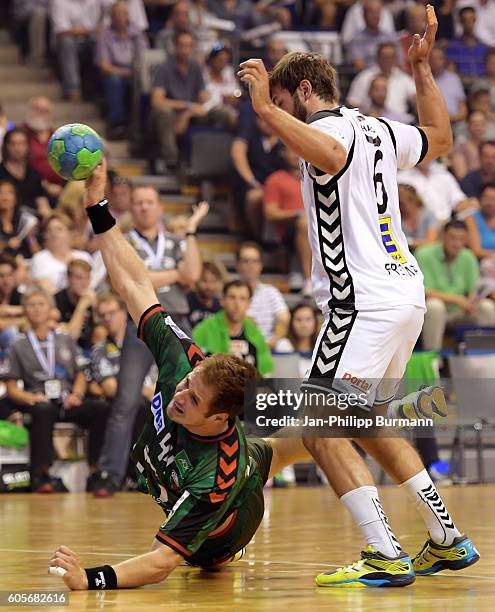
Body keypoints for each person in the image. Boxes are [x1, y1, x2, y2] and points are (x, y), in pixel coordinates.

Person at [238, 4, 478, 587]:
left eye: (284, 96)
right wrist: (422, 72)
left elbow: (328, 154)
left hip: (362, 301)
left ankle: (384, 552)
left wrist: (265, 109)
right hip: (406, 295)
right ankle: (446, 539)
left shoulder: (326, 130)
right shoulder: (380, 127)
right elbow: (442, 138)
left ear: (301, 90)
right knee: (366, 422)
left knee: (321, 428)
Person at [48, 159, 312, 590]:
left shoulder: (217, 476)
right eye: (188, 383)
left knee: (211, 557)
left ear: (219, 418)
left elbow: (161, 562)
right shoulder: (185, 362)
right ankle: (353, 420)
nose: (179, 395)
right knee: (290, 445)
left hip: (226, 532)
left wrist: (89, 580)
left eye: (192, 399)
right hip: (226, 461)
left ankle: (371, 425)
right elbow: (135, 284)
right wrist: (98, 206)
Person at [90, 187, 205, 496]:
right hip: (139, 324)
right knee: (125, 401)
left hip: (177, 321)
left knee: (187, 397)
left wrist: (190, 231)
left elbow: (192, 274)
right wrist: (172, 274)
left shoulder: (179, 240)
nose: (143, 207)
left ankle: (188, 473)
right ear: (133, 208)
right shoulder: (125, 242)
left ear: (159, 207)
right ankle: (109, 474)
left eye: (149, 202)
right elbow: (129, 282)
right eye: (138, 203)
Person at [2, 287, 109, 493]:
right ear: (24, 310)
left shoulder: (64, 338)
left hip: (67, 399)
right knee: (43, 411)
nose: (36, 310)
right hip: (39, 400)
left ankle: (96, 471)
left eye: (40, 304)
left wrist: (77, 395)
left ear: (50, 309)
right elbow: (11, 387)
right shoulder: (18, 345)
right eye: (31, 305)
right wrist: (30, 398)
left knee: (101, 409)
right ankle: (42, 474)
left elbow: (80, 373)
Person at [149, 30, 230, 173]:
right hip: (173, 112)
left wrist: (191, 111)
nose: (186, 50)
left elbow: (203, 97)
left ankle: (224, 158)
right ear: (175, 46)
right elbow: (157, 101)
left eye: (189, 46)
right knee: (164, 113)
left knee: (222, 112)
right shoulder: (164, 68)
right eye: (182, 45)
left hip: (191, 113)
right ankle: (171, 161)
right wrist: (187, 106)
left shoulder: (196, 68)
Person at [415, 219, 495, 351]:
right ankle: (433, 358)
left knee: (487, 307)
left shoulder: (468, 256)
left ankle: (483, 356)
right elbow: (425, 291)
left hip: (460, 312)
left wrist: (472, 301)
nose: (457, 244)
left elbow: (472, 289)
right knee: (435, 306)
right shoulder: (424, 254)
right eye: (452, 238)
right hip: (433, 311)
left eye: (462, 239)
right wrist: (457, 300)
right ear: (442, 237)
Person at [192, 280, 273, 376]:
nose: (237, 304)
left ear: (249, 304)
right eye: (232, 297)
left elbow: (266, 371)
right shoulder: (203, 330)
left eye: (242, 299)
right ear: (222, 301)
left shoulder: (255, 332)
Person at [263, 146, 312, 294]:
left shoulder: (316, 177)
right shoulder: (276, 179)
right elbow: (270, 213)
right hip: (289, 231)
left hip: (317, 226)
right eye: (291, 150)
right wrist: (296, 214)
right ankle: (308, 279)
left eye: (298, 149)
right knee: (304, 222)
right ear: (284, 153)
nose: (296, 154)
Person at [96, 1, 148, 139]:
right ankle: (116, 124)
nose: (120, 18)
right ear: (111, 17)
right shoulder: (105, 35)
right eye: (117, 15)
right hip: (114, 72)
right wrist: (125, 73)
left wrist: (135, 73)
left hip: (135, 72)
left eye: (123, 14)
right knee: (115, 81)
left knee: (144, 83)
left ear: (128, 16)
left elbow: (145, 58)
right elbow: (104, 66)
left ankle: (141, 128)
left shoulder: (136, 33)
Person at [231, 116, 285, 239]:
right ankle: (257, 237)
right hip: (255, 185)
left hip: (279, 187)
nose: (269, 124)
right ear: (258, 121)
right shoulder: (249, 135)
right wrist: (253, 182)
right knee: (255, 197)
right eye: (265, 120)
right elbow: (237, 154)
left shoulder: (284, 139)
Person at [236, 242, 290, 349]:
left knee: (284, 345)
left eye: (254, 261)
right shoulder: (231, 292)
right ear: (237, 264)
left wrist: (273, 340)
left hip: (269, 342)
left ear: (261, 265)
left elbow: (284, 318)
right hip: (239, 342)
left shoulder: (271, 292)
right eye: (245, 261)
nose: (250, 265)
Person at [50, 0, 103, 101]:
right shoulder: (59, 2)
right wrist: (91, 31)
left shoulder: (95, 2)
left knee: (102, 42)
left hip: (91, 40)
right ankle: (73, 89)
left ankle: (99, 92)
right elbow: (62, 31)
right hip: (69, 41)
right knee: (67, 42)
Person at [347, 42, 416, 118]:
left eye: (391, 57)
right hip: (371, 122)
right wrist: (365, 114)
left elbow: (416, 98)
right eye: (384, 57)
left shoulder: (404, 79)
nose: (388, 60)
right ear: (378, 57)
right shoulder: (364, 77)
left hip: (400, 123)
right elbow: (351, 104)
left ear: (396, 58)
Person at [30, 212, 93, 294]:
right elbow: (46, 288)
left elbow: (92, 285)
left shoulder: (84, 256)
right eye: (49, 230)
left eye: (59, 229)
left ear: (69, 232)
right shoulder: (40, 258)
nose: (54, 234)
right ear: (45, 235)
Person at [398, 159, 477, 223]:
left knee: (471, 216)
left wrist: (470, 204)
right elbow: (407, 209)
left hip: (448, 224)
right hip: (421, 225)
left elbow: (458, 200)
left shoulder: (443, 173)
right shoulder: (402, 178)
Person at [0, 127, 50, 216]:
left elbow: (43, 205)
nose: (17, 148)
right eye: (13, 144)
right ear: (6, 146)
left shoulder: (34, 174)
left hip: (32, 222)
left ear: (28, 146)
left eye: (21, 144)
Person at [55, 259, 98, 351]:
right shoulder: (56, 301)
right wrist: (82, 306)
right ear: (68, 278)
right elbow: (71, 336)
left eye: (87, 278)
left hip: (90, 351)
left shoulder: (94, 300)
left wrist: (96, 308)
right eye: (79, 278)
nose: (84, 283)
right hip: (66, 351)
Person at [23, 96, 64, 191]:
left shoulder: (58, 136)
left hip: (61, 188)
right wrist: (45, 186)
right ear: (29, 111)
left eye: (45, 111)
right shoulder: (21, 135)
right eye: (37, 109)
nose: (41, 114)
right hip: (31, 188)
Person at [346, 0, 398, 73]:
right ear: (363, 15)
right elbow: (359, 66)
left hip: (392, 75)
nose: (375, 16)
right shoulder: (356, 40)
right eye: (371, 12)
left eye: (377, 12)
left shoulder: (390, 37)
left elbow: (400, 62)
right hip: (368, 77)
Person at [445, 6, 489, 86]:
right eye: (465, 20)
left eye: (471, 19)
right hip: (461, 86)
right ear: (460, 21)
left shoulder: (484, 47)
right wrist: (464, 79)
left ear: (475, 20)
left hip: (482, 87)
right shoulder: (452, 46)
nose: (468, 23)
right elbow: (450, 71)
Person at [275, 302, 320, 379]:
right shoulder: (284, 345)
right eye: (299, 320)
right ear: (292, 323)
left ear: (315, 322)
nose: (304, 324)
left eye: (308, 319)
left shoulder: (322, 347)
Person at [0, 179, 40, 259]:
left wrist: (31, 238)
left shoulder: (26, 221)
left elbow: (37, 253)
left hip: (25, 264)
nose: (5, 197)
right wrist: (7, 244)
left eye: (9, 193)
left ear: (15, 199)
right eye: (0, 193)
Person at [429, 46, 467, 126]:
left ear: (445, 61)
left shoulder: (454, 79)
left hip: (456, 123)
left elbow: (463, 108)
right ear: (428, 60)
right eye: (434, 58)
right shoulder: (423, 80)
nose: (436, 62)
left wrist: (453, 119)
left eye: (440, 58)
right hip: (432, 124)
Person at [398, 183, 438, 249]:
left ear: (415, 199)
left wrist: (409, 242)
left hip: (425, 253)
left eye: (409, 200)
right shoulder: (397, 219)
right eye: (400, 203)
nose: (403, 206)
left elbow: (431, 242)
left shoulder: (428, 214)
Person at [187, 260, 223, 329]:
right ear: (196, 281)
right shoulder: (187, 302)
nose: (209, 286)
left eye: (213, 281)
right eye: (204, 281)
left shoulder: (220, 307)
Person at [451, 111, 486, 181]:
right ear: (468, 126)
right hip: (470, 186)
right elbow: (461, 175)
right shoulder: (460, 148)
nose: (479, 128)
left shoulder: (489, 146)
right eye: (476, 125)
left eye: (482, 124)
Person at [0, 254, 25, 350]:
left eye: (9, 275)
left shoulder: (20, 296)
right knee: (10, 332)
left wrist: (10, 310)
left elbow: (52, 312)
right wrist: (23, 320)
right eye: (1, 276)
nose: (6, 280)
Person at [465, 182, 495, 259]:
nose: (490, 203)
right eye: (487, 198)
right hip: (481, 263)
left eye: (493, 199)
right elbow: (477, 251)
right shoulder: (471, 219)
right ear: (480, 199)